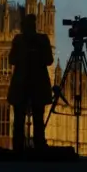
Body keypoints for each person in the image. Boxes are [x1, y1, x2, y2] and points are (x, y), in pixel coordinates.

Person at [7, 13, 54, 153]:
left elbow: (12, 60)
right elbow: (49, 60)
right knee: (38, 120)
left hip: (21, 84)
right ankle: (39, 147)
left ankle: (18, 149)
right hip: (38, 84)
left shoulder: (18, 40)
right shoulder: (43, 39)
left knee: (19, 120)